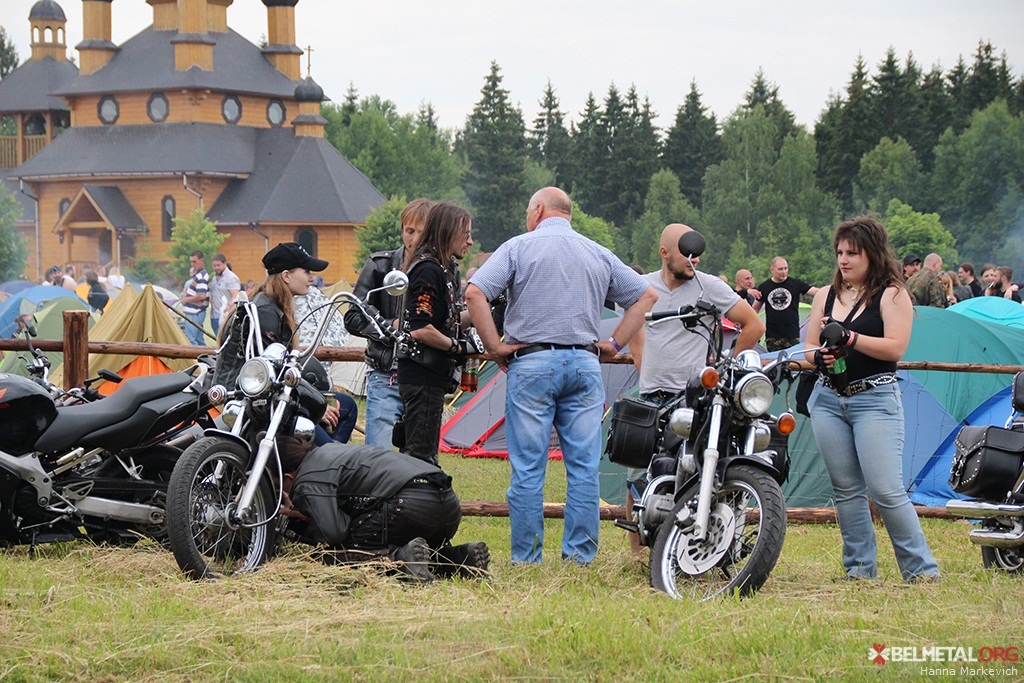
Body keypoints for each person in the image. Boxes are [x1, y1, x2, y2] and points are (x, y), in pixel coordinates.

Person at [465, 186, 657, 565]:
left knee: (528, 468)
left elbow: (475, 294)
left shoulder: (518, 248)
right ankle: (579, 557)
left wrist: (494, 347)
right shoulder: (597, 252)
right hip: (584, 363)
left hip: (532, 363)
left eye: (527, 211)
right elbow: (646, 296)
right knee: (583, 469)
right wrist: (614, 343)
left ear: (538, 210)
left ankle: (527, 557)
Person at [804, 216, 939, 583]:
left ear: (873, 254)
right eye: (839, 252)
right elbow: (808, 348)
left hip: (875, 400)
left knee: (885, 489)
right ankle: (859, 571)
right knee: (846, 490)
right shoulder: (825, 295)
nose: (843, 260)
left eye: (852, 253)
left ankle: (922, 572)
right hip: (827, 400)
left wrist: (849, 338)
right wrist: (819, 356)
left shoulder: (893, 294)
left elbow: (895, 347)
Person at [624, 224, 764, 554]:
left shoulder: (709, 286)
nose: (694, 259)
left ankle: (684, 550)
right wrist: (644, 366)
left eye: (697, 253)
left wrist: (722, 365)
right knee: (637, 478)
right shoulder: (643, 287)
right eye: (686, 252)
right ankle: (637, 555)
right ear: (664, 253)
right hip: (650, 397)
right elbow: (633, 329)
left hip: (692, 399)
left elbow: (754, 325)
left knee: (691, 471)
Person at [286, 438, 490, 582]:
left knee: (335, 554)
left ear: (287, 477)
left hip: (409, 505)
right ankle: (459, 559)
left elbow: (333, 533)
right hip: (448, 504)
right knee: (414, 547)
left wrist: (297, 513)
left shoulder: (307, 477)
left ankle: (399, 560)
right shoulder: (332, 450)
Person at [345, 198, 431, 449]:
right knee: (377, 456)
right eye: (409, 231)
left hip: (426, 376)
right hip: (386, 374)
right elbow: (352, 316)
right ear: (402, 229)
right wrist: (388, 328)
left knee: (418, 459)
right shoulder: (380, 265)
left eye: (421, 232)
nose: (414, 239)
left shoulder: (445, 269)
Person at [397, 202, 475, 466]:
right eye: (466, 234)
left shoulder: (442, 269)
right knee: (420, 459)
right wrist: (457, 347)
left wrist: (487, 305)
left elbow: (448, 321)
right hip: (422, 377)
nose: (470, 242)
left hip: (430, 377)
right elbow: (421, 328)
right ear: (448, 231)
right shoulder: (428, 269)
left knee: (423, 454)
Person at [294, 281, 357, 444]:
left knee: (347, 405)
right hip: (281, 406)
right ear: (286, 276)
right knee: (329, 451)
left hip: (292, 394)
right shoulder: (269, 311)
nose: (310, 278)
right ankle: (328, 455)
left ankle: (330, 453)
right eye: (306, 272)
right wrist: (315, 406)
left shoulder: (283, 306)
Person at [752, 256, 819, 352]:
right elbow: (755, 309)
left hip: (792, 334)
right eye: (780, 269)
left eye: (785, 268)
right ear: (772, 270)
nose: (783, 272)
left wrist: (833, 290)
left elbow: (816, 292)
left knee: (792, 360)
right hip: (773, 336)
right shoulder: (764, 287)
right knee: (775, 360)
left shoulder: (795, 284)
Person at [180, 251, 210, 346]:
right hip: (196, 312)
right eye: (191, 262)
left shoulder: (201, 277)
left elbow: (201, 296)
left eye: (194, 261)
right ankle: (206, 355)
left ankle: (197, 356)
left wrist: (186, 300)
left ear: (202, 260)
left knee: (191, 340)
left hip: (195, 312)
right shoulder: (198, 275)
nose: (192, 264)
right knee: (198, 340)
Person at [209, 253, 241, 336]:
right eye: (214, 266)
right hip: (215, 315)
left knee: (222, 338)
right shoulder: (215, 278)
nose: (216, 268)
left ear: (224, 263)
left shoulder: (231, 278)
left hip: (225, 316)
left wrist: (229, 306)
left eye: (218, 265)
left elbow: (236, 296)